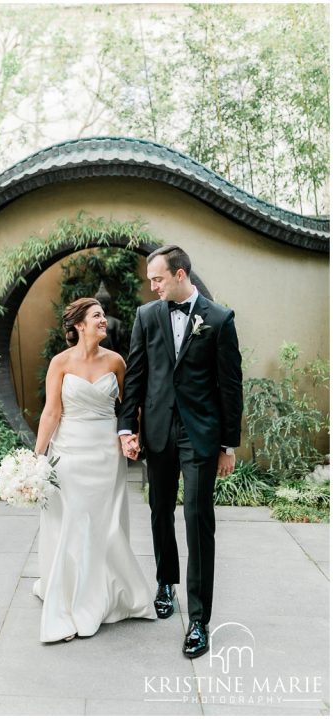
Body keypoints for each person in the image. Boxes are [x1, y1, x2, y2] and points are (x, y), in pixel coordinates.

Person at [118, 245, 242, 659]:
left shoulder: (220, 320)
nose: (152, 286)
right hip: (157, 431)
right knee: (159, 511)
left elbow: (230, 387)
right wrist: (126, 428)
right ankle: (165, 582)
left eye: (157, 278)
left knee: (197, 518)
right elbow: (136, 374)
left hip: (200, 434)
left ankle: (200, 620)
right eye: (150, 280)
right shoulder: (146, 316)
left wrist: (227, 444)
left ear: (180, 274)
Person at [32, 297, 155, 642]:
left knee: (104, 523)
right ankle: (68, 598)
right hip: (69, 451)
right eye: (97, 316)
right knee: (71, 521)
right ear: (79, 325)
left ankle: (101, 595)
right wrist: (37, 456)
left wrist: (134, 436)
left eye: (102, 315)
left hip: (105, 452)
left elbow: (130, 407)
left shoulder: (116, 361)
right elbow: (51, 413)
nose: (104, 320)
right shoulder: (60, 362)